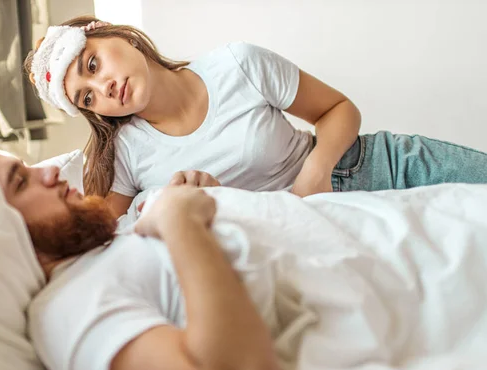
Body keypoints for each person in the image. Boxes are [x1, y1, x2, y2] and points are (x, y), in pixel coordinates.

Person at [0, 140, 487, 370]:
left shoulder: (105, 247)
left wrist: (191, 200)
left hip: (406, 226)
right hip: (428, 276)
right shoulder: (65, 313)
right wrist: (182, 223)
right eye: (21, 181)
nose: (53, 173)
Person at [24, 16, 487, 218]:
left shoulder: (237, 63)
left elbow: (339, 110)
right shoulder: (126, 153)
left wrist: (313, 178)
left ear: (116, 37)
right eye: (87, 99)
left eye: (92, 64)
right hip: (303, 233)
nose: (103, 87)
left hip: (373, 167)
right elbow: (105, 233)